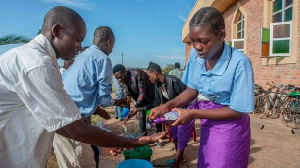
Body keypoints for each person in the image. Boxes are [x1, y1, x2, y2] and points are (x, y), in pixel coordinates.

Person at [0, 6, 160, 168]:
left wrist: (103, 139)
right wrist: (132, 141)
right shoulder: (38, 65)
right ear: (56, 30)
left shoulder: (43, 59)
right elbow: (73, 127)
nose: (80, 46)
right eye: (77, 39)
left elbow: (60, 121)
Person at [149, 7, 254, 168]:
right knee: (206, 162)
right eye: (193, 41)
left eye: (204, 41)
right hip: (208, 124)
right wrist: (167, 106)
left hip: (230, 129)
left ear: (222, 35)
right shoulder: (196, 55)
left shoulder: (239, 63)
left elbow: (239, 109)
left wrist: (193, 113)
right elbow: (192, 90)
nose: (197, 46)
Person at [53, 26, 135, 168]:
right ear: (108, 42)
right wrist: (118, 102)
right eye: (113, 46)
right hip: (74, 122)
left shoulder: (81, 56)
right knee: (84, 164)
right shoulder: (103, 59)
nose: (111, 50)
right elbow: (104, 99)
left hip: (61, 121)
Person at [146, 63, 193, 168]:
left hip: (184, 111)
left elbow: (187, 96)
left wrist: (182, 112)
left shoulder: (174, 80)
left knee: (181, 136)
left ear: (155, 73)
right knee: (175, 136)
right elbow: (158, 101)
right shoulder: (158, 85)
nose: (149, 78)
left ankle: (177, 161)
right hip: (173, 113)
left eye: (149, 75)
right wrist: (150, 110)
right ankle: (180, 157)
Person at [113, 64, 157, 136]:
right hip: (141, 100)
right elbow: (127, 97)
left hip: (152, 96)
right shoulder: (123, 82)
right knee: (141, 116)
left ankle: (160, 134)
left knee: (156, 115)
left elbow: (142, 93)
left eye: (120, 77)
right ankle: (143, 136)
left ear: (125, 72)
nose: (119, 80)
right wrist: (127, 114)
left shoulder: (137, 74)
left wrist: (135, 107)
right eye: (117, 78)